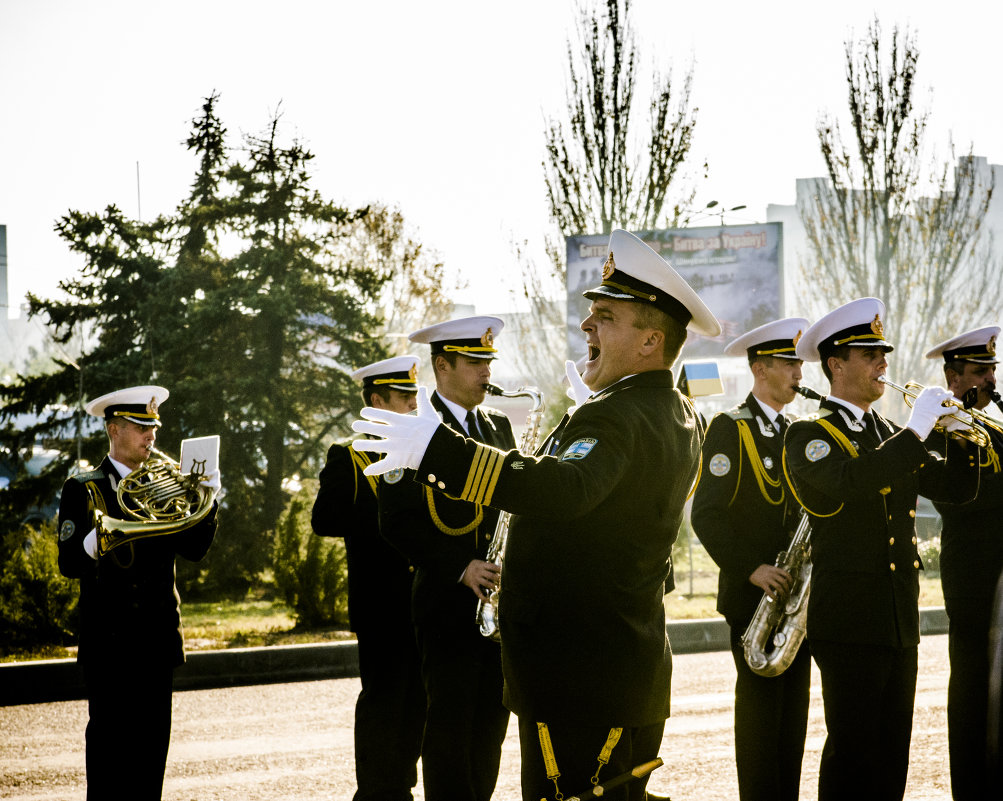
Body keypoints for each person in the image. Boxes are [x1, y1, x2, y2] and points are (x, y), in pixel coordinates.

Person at [354, 229, 721, 801]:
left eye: (605, 315)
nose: (586, 325)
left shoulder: (619, 416)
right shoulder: (673, 410)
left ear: (650, 341)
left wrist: (440, 450)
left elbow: (563, 490)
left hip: (579, 679)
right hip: (618, 670)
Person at [783, 298, 980, 800]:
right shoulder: (810, 434)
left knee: (893, 754)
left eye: (882, 353)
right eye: (869, 353)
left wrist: (960, 439)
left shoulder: (889, 433)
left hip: (897, 618)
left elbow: (954, 490)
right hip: (849, 621)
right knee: (853, 753)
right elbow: (852, 481)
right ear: (835, 364)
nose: (883, 364)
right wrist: (918, 429)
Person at [56, 385, 221, 801]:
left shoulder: (166, 484)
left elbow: (194, 549)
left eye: (154, 427)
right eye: (140, 426)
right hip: (110, 647)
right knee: (111, 769)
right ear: (113, 429)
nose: (151, 436)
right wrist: (94, 542)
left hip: (156, 641)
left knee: (150, 769)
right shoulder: (84, 487)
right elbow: (68, 564)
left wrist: (209, 498)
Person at [376, 316, 516, 801]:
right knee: (450, 725)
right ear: (443, 365)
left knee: (491, 724)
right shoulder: (413, 430)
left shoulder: (497, 426)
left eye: (487, 362)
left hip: (497, 601)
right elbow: (396, 521)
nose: (486, 371)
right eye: (476, 362)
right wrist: (461, 566)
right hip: (445, 600)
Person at [691, 317, 811, 800]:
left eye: (799, 363)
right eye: (790, 363)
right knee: (762, 724)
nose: (799, 373)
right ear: (761, 369)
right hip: (753, 599)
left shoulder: (798, 430)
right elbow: (707, 515)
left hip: (795, 597)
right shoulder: (729, 428)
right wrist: (751, 568)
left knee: (793, 725)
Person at [311, 355, 425, 801]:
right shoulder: (350, 456)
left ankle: (402, 787)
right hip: (381, 606)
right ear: (377, 401)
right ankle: (377, 792)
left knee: (419, 704)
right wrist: (386, 512)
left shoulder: (424, 450)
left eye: (415, 395)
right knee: (384, 703)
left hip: (423, 600)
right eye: (403, 397)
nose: (414, 403)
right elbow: (324, 520)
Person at [923, 326, 1003, 799]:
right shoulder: (937, 429)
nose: (990, 380)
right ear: (953, 378)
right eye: (979, 371)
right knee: (973, 689)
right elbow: (960, 499)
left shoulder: (995, 427)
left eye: (992, 369)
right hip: (973, 576)